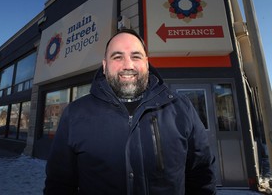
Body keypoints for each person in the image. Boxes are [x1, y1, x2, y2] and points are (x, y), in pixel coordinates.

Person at [43, 28, 216, 195]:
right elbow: (59, 184)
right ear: (104, 66)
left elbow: (202, 175)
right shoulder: (75, 114)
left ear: (147, 64)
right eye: (117, 57)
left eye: (136, 56)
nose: (128, 65)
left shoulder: (181, 108)